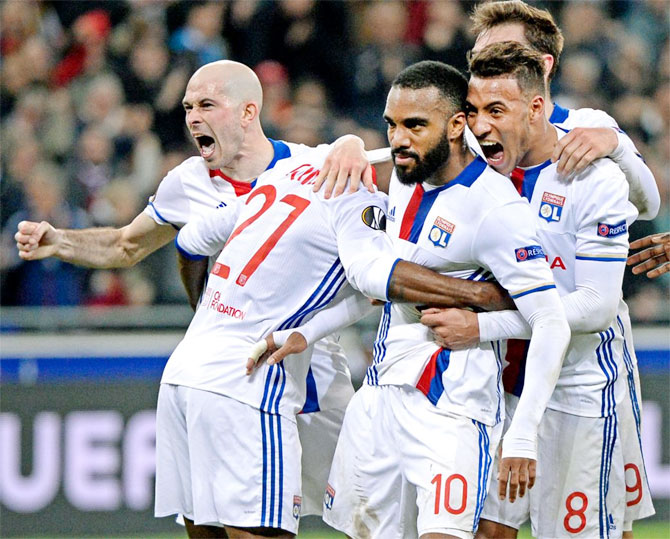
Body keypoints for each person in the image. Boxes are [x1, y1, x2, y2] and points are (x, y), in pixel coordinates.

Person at [11, 59, 377, 527]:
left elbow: (377, 202)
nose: (192, 117)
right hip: (235, 372)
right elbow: (127, 244)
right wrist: (60, 241)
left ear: (248, 112)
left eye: (207, 104)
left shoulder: (311, 166)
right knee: (219, 517)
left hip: (312, 365)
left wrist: (352, 143)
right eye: (187, 107)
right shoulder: (187, 182)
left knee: (364, 503)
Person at [156, 139, 513, 538]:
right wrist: (482, 296)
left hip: (184, 370)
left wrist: (207, 311)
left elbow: (188, 242)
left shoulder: (280, 175)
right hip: (249, 380)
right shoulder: (361, 203)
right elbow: (373, 278)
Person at [313, 60, 569, 539]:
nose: (398, 140)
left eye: (414, 125)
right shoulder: (403, 174)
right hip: (381, 394)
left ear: (456, 126)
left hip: (452, 407)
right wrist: (347, 143)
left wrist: (523, 432)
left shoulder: (495, 209)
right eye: (391, 125)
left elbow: (551, 320)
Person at [465, 3, 659, 536]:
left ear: (542, 68)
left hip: (584, 367)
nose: (486, 63)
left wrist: (617, 146)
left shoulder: (587, 134)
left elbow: (648, 204)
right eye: (480, 56)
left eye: (504, 53)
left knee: (598, 522)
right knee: (486, 527)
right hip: (497, 374)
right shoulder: (473, 142)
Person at [428, 41, 633, 539]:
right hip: (499, 386)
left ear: (536, 107)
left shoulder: (595, 179)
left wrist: (480, 324)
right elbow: (403, 148)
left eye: (496, 110)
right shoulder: (475, 175)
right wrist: (348, 147)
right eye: (473, 111)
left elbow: (596, 305)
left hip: (576, 389)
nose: (480, 127)